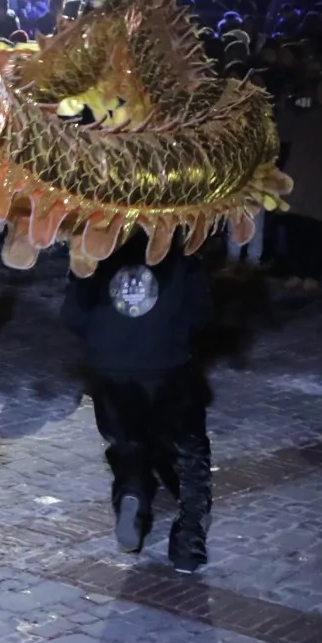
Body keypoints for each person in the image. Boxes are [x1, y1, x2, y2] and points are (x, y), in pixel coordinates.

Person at [61, 230, 213, 573]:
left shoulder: (95, 245)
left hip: (110, 368)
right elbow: (200, 315)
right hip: (167, 367)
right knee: (189, 451)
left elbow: (72, 316)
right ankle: (188, 542)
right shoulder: (180, 249)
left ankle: (132, 492)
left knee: (127, 444)